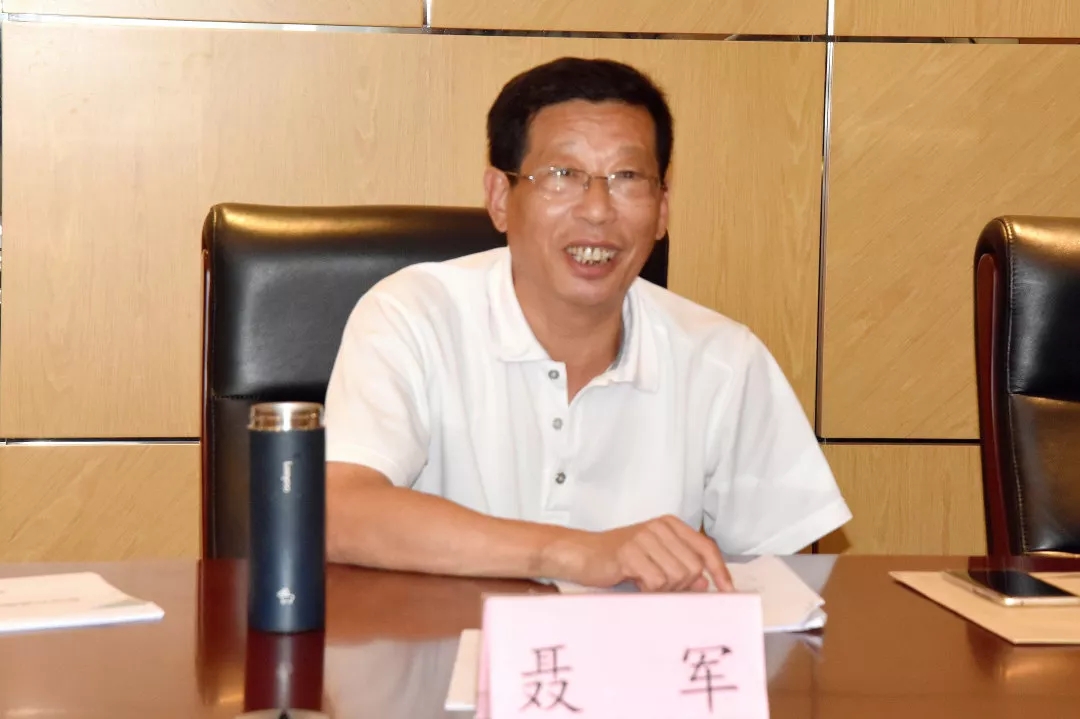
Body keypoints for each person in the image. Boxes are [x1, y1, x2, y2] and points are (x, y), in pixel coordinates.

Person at [322, 57, 851, 593]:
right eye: (563, 176)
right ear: (500, 198)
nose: (597, 210)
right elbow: (336, 511)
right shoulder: (413, 315)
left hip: (640, 650)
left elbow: (781, 584)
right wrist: (574, 552)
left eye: (628, 178)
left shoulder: (723, 361)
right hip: (443, 644)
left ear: (662, 208)